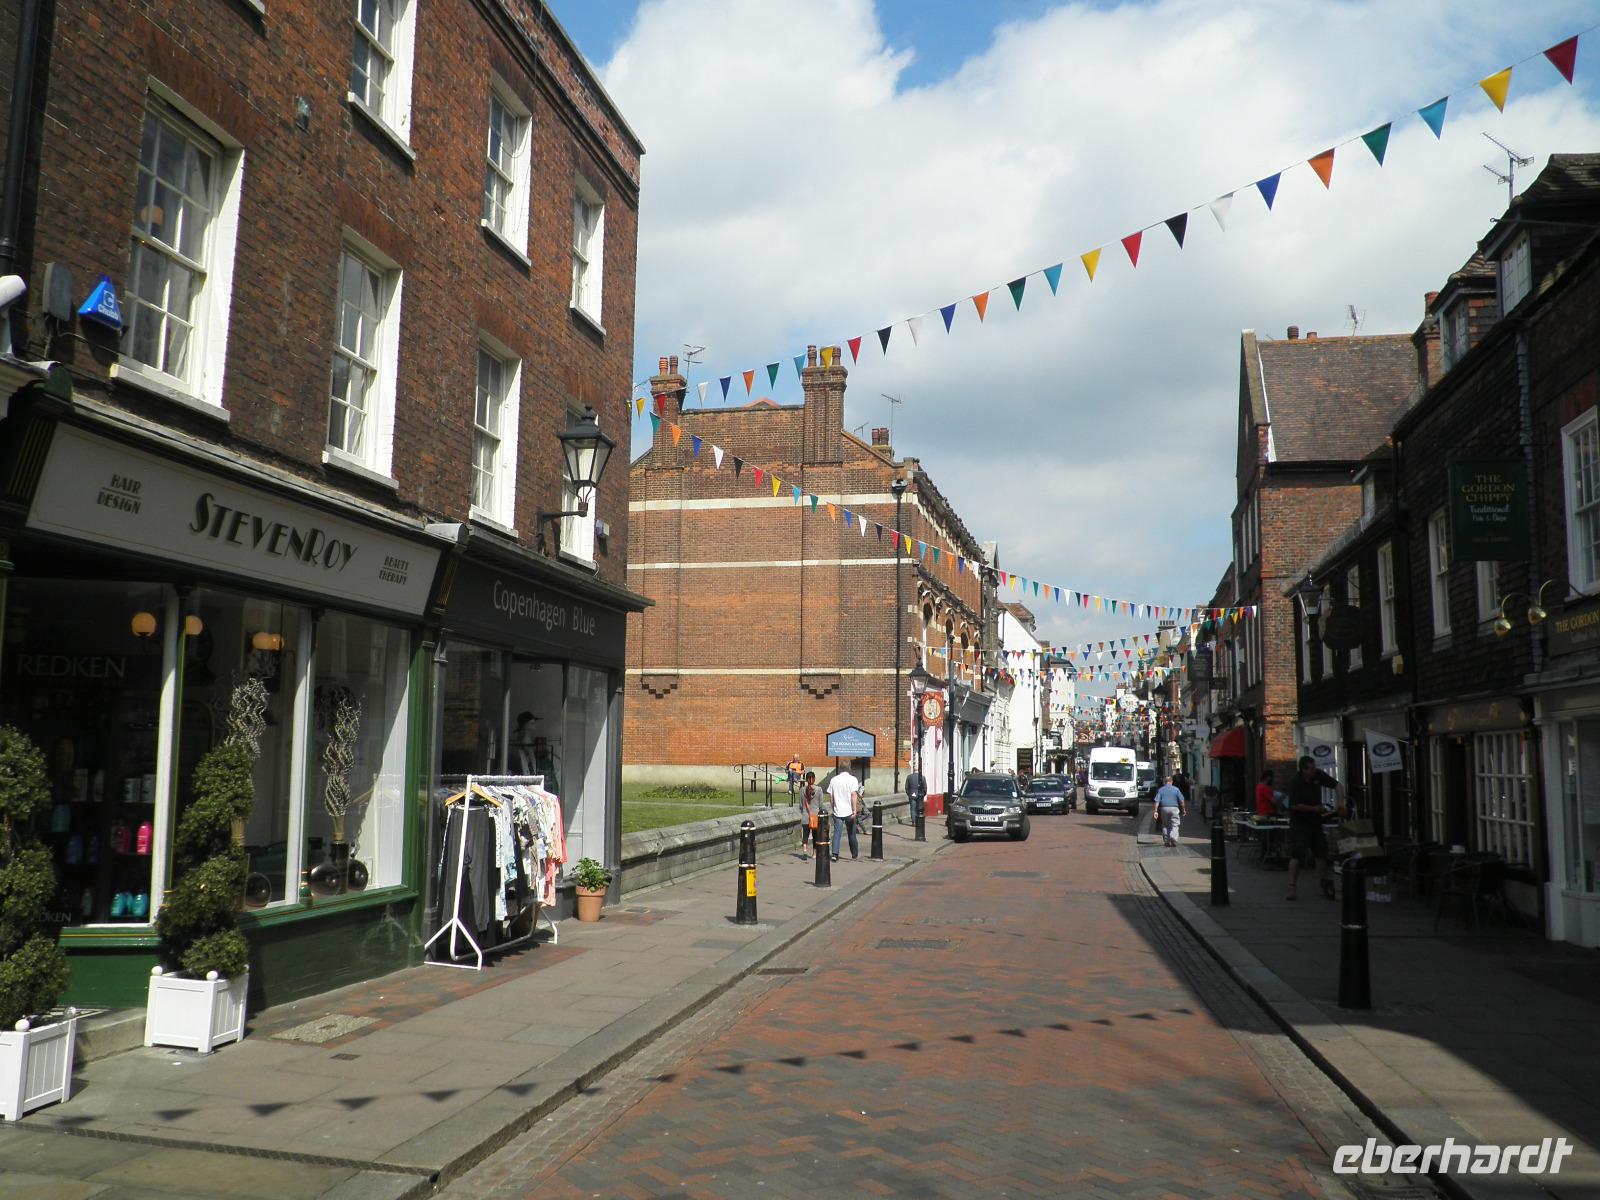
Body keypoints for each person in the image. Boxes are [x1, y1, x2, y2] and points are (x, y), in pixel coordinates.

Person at [1285, 755, 1347, 901]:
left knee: (1321, 853)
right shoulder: (1295, 783)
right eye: (1311, 769)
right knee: (1298, 854)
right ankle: (1292, 886)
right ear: (1303, 770)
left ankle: (1324, 883)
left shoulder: (1318, 775)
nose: (1314, 770)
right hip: (1300, 823)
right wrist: (1314, 809)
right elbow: (1294, 806)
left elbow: (1338, 786)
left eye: (1314, 767)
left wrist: (1341, 804)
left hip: (1315, 823)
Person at [827, 762, 861, 861]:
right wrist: (854, 810)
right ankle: (854, 854)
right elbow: (853, 795)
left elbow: (831, 796)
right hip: (849, 811)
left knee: (837, 833)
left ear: (840, 768)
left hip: (838, 811)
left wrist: (833, 807)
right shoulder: (853, 779)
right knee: (852, 833)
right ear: (849, 768)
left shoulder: (834, 780)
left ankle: (835, 854)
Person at [1152, 776, 1186, 847]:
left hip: (1164, 808)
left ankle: (1167, 840)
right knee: (1175, 824)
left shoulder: (1161, 790)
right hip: (1174, 808)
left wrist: (1155, 811)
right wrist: (1183, 809)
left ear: (1165, 782)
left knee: (1165, 825)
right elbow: (1182, 801)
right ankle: (1173, 836)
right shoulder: (1176, 789)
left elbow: (1157, 801)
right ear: (1172, 782)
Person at [796, 771, 819, 859]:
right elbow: (821, 804)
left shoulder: (802, 790)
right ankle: (814, 854)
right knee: (815, 835)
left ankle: (805, 851)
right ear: (814, 779)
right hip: (815, 816)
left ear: (806, 780)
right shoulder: (819, 789)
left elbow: (801, 804)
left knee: (805, 834)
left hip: (806, 815)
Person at [904, 761, 927, 829]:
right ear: (919, 769)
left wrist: (909, 794)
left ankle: (913, 822)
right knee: (919, 809)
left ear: (913, 769)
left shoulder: (909, 777)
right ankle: (918, 821)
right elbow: (925, 788)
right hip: (920, 796)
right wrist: (923, 794)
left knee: (912, 809)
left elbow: (906, 787)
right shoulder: (922, 777)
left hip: (912, 795)